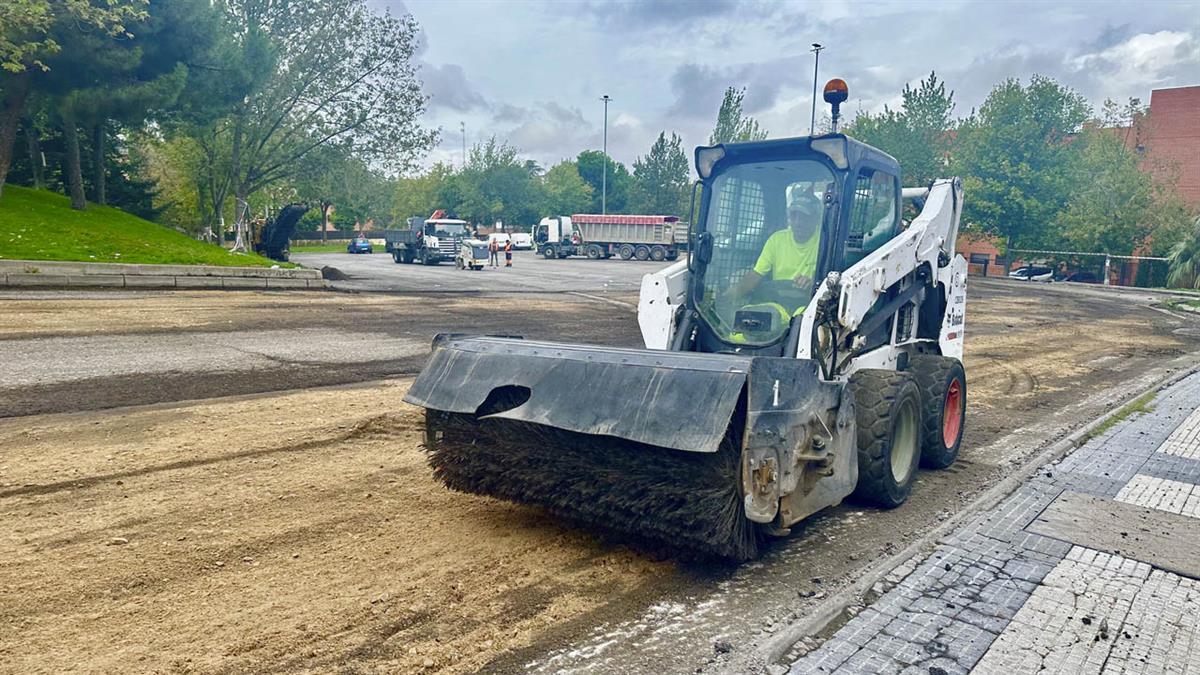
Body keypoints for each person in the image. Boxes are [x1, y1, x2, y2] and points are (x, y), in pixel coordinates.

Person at [726, 191, 823, 315]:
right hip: (778, 305)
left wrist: (812, 283)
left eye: (804, 217)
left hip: (809, 307)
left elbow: (829, 280)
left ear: (816, 219)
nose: (797, 222)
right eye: (794, 216)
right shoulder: (776, 240)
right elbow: (756, 274)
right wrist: (729, 295)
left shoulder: (824, 243)